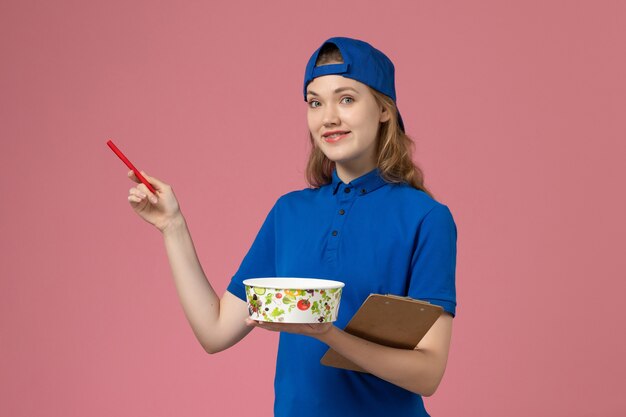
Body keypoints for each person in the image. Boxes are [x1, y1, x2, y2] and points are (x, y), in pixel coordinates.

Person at [127, 36, 457, 417]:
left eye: (346, 99)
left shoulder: (425, 218)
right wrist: (172, 226)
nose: (328, 117)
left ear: (384, 109)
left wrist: (328, 333)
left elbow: (428, 373)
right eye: (315, 102)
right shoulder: (289, 213)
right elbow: (215, 332)